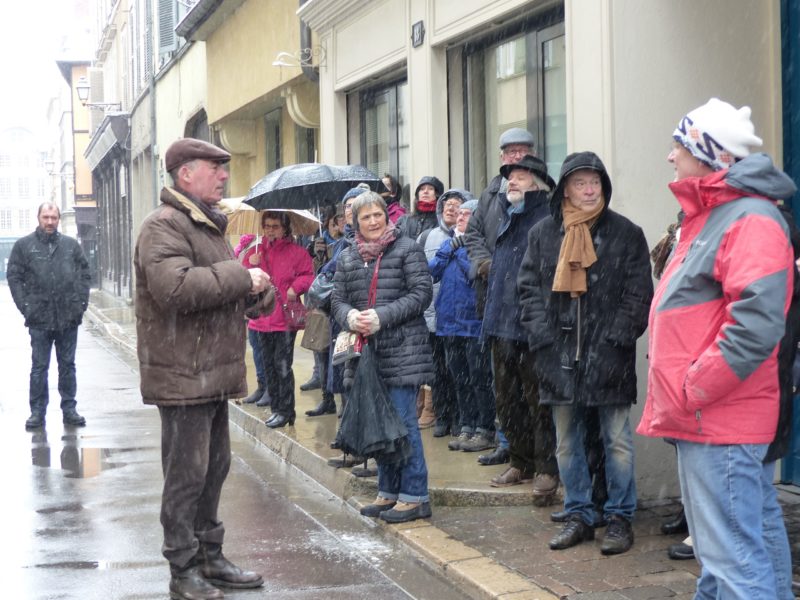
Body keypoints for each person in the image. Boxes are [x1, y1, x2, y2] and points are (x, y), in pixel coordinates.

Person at [637, 98, 796, 599]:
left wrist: (694, 386)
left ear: (712, 155)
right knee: (745, 546)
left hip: (716, 416)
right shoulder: (716, 213)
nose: (670, 157)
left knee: (730, 562)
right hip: (710, 415)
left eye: (679, 145)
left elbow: (755, 323)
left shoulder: (746, 218)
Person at [134, 138, 273, 599]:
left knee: (214, 467)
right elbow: (174, 289)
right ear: (185, 174)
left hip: (209, 372)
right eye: (215, 168)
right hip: (182, 374)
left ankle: (210, 558)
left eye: (223, 168)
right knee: (187, 474)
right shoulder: (164, 226)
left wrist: (256, 289)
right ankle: (183, 569)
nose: (223, 176)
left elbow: (218, 289)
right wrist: (239, 277)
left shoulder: (206, 225)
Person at [518, 151, 653, 555]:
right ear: (565, 189)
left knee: (616, 441)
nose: (589, 189)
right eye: (580, 183)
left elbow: (638, 293)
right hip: (557, 357)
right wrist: (542, 339)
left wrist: (616, 338)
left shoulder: (627, 233)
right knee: (567, 442)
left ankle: (619, 517)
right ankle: (578, 513)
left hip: (609, 357)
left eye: (595, 182)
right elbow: (527, 291)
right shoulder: (543, 234)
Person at [332, 191, 434, 523]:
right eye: (366, 217)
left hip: (402, 349)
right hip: (366, 354)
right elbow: (337, 300)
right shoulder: (348, 257)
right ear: (355, 222)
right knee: (379, 424)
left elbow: (421, 294)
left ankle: (416, 495)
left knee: (403, 423)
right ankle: (388, 491)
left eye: (378, 215)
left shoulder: (407, 248)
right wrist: (349, 317)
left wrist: (381, 316)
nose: (373, 221)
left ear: (386, 216)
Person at [465, 154, 559, 503]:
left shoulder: (547, 216)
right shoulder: (505, 213)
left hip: (531, 326)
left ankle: (547, 468)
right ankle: (520, 461)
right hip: (501, 323)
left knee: (539, 402)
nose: (512, 182)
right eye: (510, 176)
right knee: (507, 400)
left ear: (538, 182)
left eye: (520, 176)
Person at [464, 127, 535, 467]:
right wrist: (485, 265)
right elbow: (473, 233)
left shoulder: (542, 195)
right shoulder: (490, 194)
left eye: (522, 152)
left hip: (528, 305)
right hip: (494, 300)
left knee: (530, 385)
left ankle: (533, 454)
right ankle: (508, 443)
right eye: (510, 153)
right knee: (502, 382)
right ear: (501, 158)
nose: (515, 157)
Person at [8, 202, 91, 430]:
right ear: (38, 218)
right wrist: (27, 306)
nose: (50, 222)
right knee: (39, 367)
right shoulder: (24, 246)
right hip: (39, 318)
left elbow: (85, 274)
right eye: (46, 217)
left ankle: (69, 409)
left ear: (58, 220)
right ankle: (37, 412)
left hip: (67, 317)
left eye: (53, 217)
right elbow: (14, 277)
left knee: (67, 366)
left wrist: (79, 305)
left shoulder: (70, 246)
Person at [429, 198, 496, 452]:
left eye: (467, 214)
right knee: (460, 378)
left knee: (479, 378)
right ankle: (466, 425)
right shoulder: (449, 243)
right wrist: (448, 249)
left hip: (473, 323)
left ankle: (484, 427)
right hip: (448, 323)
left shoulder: (481, 245)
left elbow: (475, 272)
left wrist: (460, 249)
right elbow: (432, 270)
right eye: (460, 213)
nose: (460, 216)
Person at [242, 211, 314, 429]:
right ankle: (276, 408)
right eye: (267, 226)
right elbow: (243, 280)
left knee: (283, 366)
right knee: (268, 366)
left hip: (284, 320)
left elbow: (308, 275)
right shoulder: (255, 251)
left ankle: (286, 410)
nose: (270, 230)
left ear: (285, 228)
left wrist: (295, 288)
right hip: (261, 319)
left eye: (275, 226)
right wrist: (249, 264)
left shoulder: (297, 252)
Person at [416, 188, 466, 436]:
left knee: (457, 371)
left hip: (457, 318)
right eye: (446, 203)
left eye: (457, 203)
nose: (450, 207)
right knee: (436, 372)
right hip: (430, 316)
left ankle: (458, 417)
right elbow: (420, 274)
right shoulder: (427, 237)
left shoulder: (472, 236)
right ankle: (442, 416)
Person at [234, 234, 270, 406]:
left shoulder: (261, 244)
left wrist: (256, 264)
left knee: (265, 351)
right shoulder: (244, 246)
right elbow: (241, 272)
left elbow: (263, 276)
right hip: (247, 305)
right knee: (256, 348)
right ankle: (261, 385)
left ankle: (269, 388)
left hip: (261, 304)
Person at [396, 176, 445, 241]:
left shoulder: (442, 222)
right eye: (422, 189)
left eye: (430, 189)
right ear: (417, 194)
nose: (425, 191)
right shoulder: (404, 220)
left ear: (437, 195)